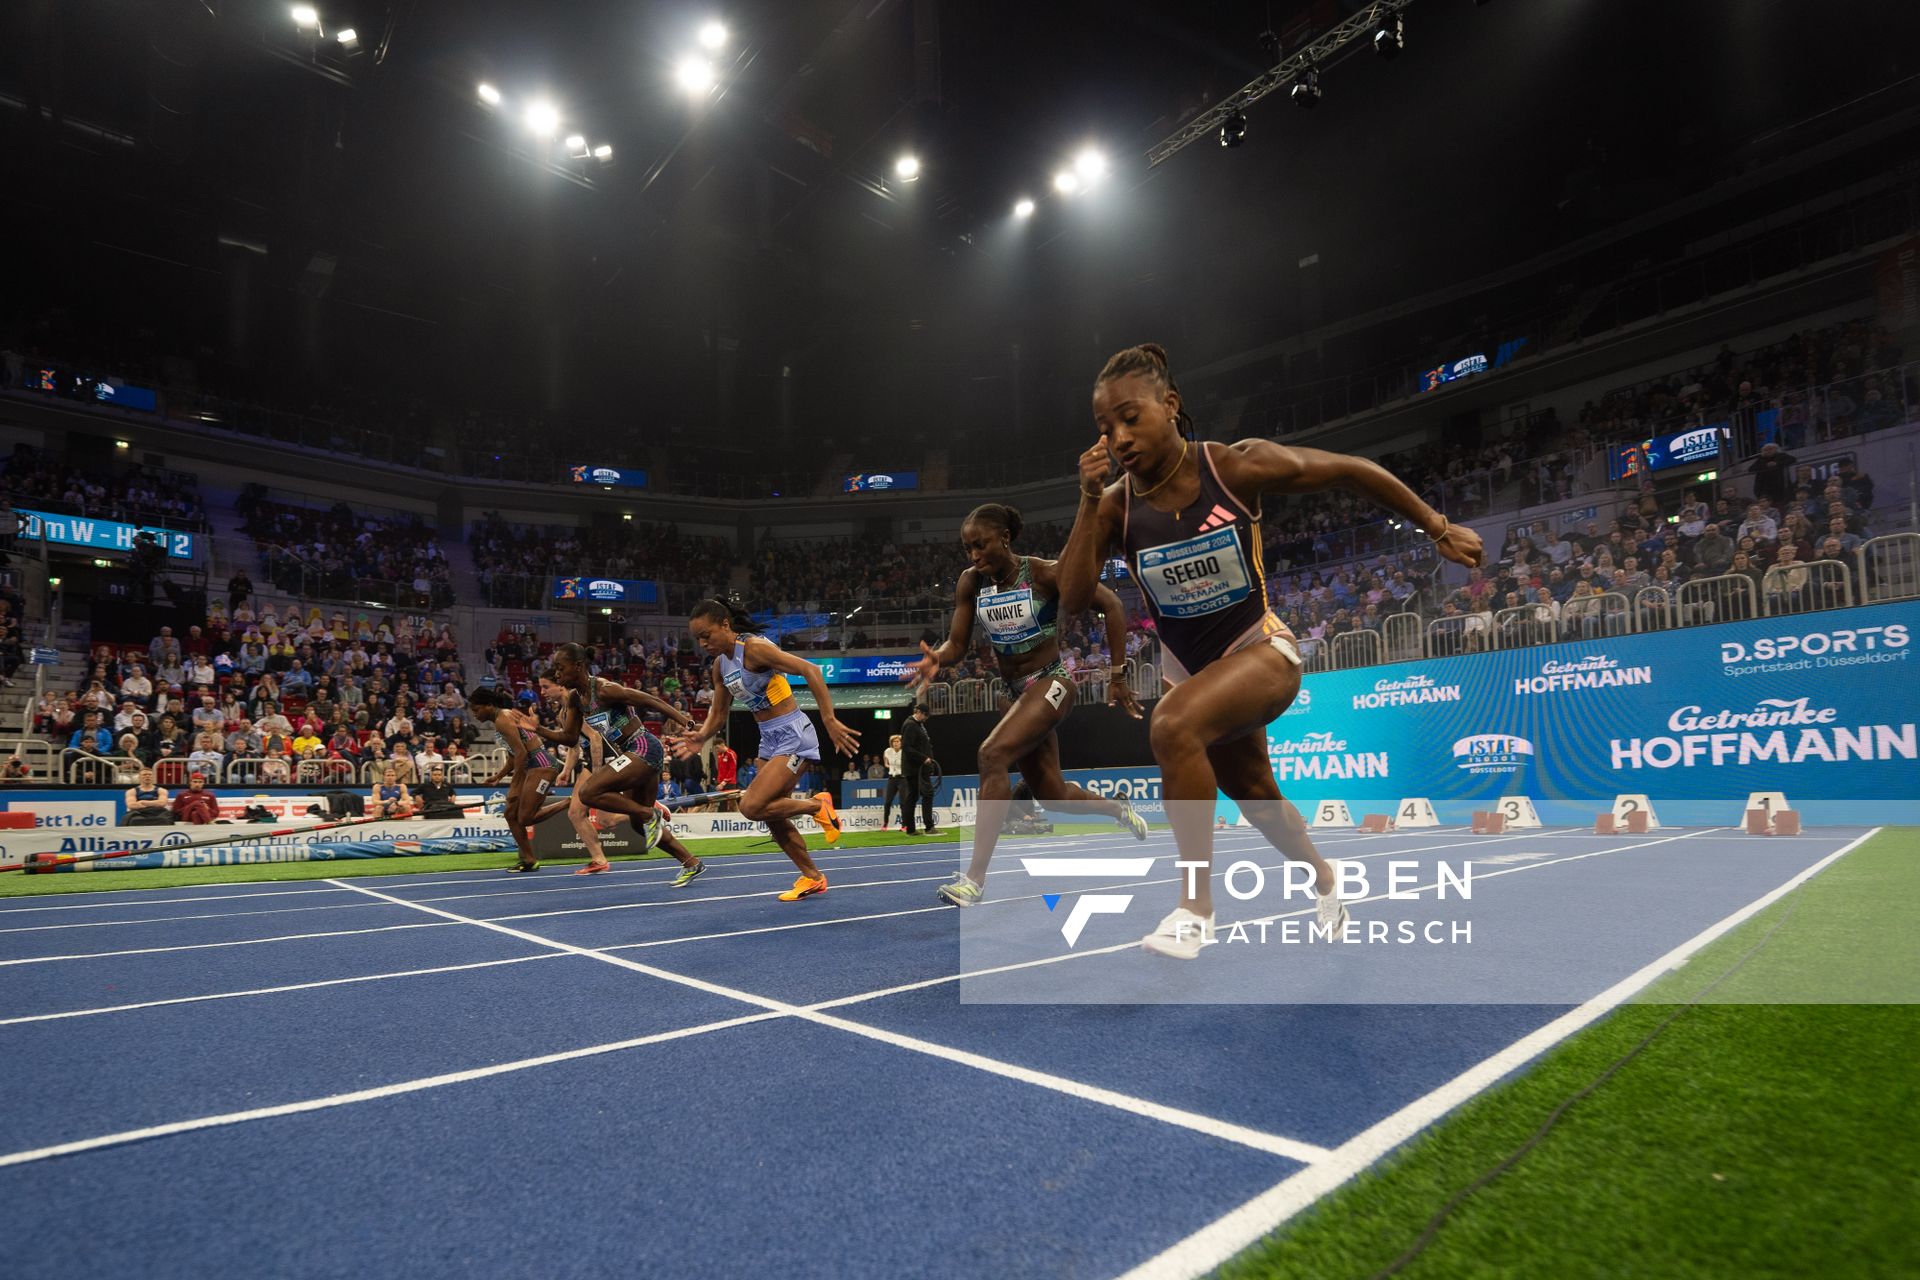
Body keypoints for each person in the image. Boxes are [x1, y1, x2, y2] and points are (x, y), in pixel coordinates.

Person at [1057, 342, 1483, 958]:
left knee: (1172, 725)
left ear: (1170, 404)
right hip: (1194, 672)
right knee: (1256, 794)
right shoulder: (1114, 507)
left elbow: (1350, 469)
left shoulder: (1234, 467)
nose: (1119, 438)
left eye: (1130, 417)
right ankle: (1325, 878)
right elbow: (1074, 599)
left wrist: (1436, 526)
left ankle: (1195, 909)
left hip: (1260, 649)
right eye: (1105, 428)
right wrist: (1088, 497)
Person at [906, 502, 1150, 906]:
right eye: (968, 548)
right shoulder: (971, 583)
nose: (974, 555)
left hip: (1052, 681)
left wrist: (1118, 674)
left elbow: (1112, 604)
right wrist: (939, 658)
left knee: (992, 754)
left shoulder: (1043, 573)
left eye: (980, 545)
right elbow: (958, 645)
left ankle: (974, 880)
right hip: (1017, 693)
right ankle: (1118, 810)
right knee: (1053, 794)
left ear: (1005, 538)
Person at [669, 599, 862, 902]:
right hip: (768, 739)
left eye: (706, 635)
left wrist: (828, 719)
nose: (703, 643)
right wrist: (702, 736)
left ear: (725, 625)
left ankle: (816, 806)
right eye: (698, 639)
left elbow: (810, 669)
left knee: (751, 807)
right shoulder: (720, 665)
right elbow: (719, 713)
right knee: (773, 817)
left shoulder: (754, 649)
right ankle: (812, 877)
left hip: (793, 734)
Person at [536, 644, 706, 882]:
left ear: (578, 666)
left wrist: (686, 722)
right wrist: (536, 728)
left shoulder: (604, 689)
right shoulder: (576, 698)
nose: (556, 674)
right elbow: (569, 738)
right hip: (630, 753)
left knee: (588, 792)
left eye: (560, 668)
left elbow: (650, 700)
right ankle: (691, 863)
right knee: (637, 824)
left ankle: (650, 812)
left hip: (644, 747)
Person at [896, 704, 938, 836]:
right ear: (919, 712)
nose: (926, 718)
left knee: (913, 796)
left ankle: (911, 829)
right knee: (926, 794)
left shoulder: (918, 725)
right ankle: (928, 827)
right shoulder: (910, 725)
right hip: (915, 768)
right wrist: (923, 758)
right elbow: (907, 747)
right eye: (925, 715)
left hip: (920, 768)